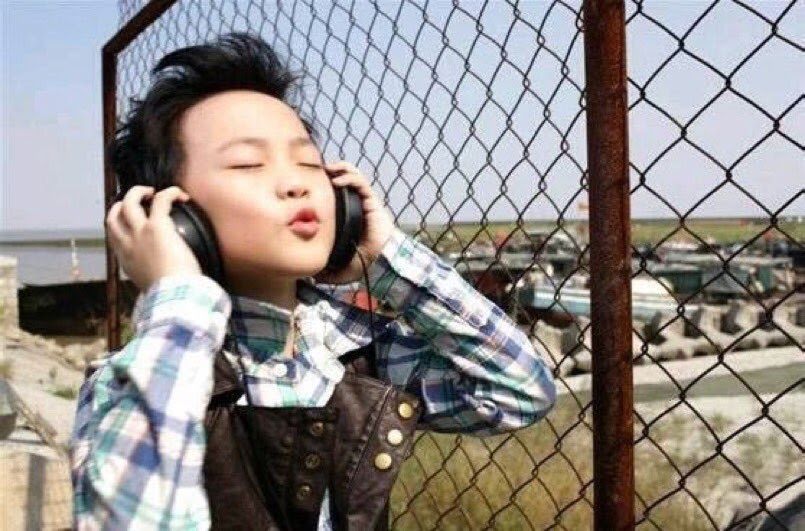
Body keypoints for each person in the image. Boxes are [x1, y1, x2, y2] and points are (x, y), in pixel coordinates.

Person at [69, 31, 556, 530]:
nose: (297, 182)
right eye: (248, 164)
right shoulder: (142, 380)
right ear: (173, 217)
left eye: (308, 161)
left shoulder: (358, 357)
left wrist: (386, 261)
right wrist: (177, 303)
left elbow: (520, 392)